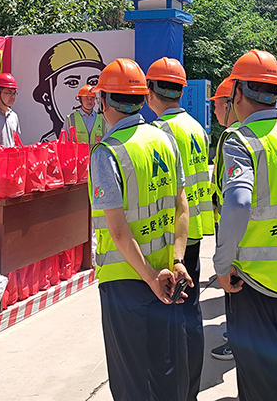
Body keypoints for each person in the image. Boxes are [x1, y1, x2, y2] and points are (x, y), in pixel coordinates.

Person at [214, 49, 277, 401]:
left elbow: (238, 202)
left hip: (254, 284)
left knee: (260, 386)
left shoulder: (239, 140)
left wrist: (222, 265)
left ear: (238, 92)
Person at [88, 58, 192, 401]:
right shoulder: (164, 139)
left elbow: (118, 230)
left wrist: (148, 276)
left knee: (130, 380)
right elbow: (181, 206)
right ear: (141, 98)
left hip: (126, 281)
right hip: (167, 274)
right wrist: (178, 260)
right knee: (165, 372)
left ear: (104, 100)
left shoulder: (107, 153)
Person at [145, 57, 212, 401]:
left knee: (173, 322)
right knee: (192, 314)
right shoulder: (195, 127)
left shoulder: (159, 132)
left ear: (150, 91)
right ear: (182, 91)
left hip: (173, 241)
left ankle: (180, 392)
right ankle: (192, 389)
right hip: (194, 231)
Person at [208, 76, 238, 362]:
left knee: (234, 286)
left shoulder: (234, 138)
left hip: (231, 227)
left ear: (229, 104)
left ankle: (236, 340)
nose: (214, 110)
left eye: (217, 104)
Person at [32, 38, 106, 141]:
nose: (86, 89)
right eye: (72, 83)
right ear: (47, 97)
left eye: (93, 82)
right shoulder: (69, 120)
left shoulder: (101, 120)